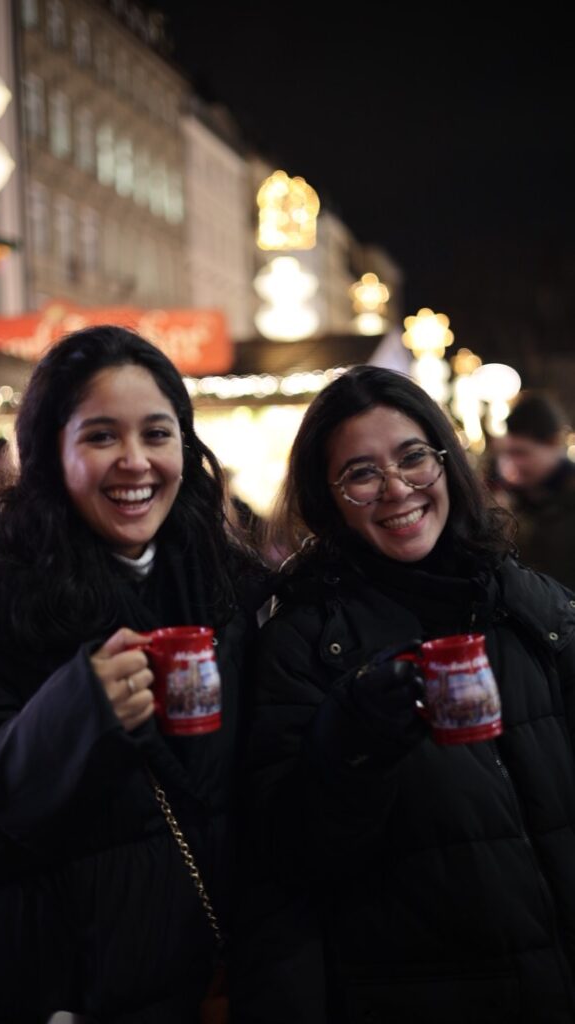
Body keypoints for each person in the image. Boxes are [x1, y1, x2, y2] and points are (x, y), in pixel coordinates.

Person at [0, 324, 267, 1024]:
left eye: (157, 435)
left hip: (194, 999)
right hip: (38, 1001)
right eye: (101, 436)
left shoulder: (238, 599)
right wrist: (69, 715)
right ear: (51, 457)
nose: (135, 461)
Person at [231, 365, 575, 1024]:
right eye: (362, 474)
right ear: (328, 498)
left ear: (445, 462)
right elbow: (289, 865)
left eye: (413, 458)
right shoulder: (304, 642)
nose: (397, 490)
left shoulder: (533, 609)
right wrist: (351, 746)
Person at [493, 389, 575, 589]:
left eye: (521, 453)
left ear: (554, 442)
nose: (512, 464)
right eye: (509, 453)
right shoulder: (514, 502)